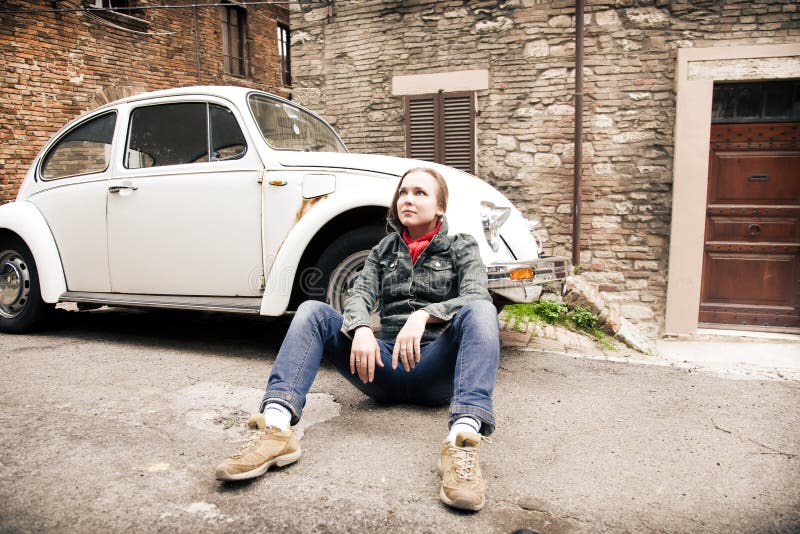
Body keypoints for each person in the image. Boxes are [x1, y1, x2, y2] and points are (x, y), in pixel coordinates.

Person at [214, 167, 500, 512]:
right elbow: (359, 294)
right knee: (312, 311)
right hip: (381, 369)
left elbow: (475, 295)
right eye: (403, 192)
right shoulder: (383, 250)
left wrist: (426, 314)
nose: (408, 199)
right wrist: (362, 328)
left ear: (440, 207)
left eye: (420, 193)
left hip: (435, 370)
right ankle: (276, 429)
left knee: (482, 311)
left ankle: (462, 444)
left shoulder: (460, 247)